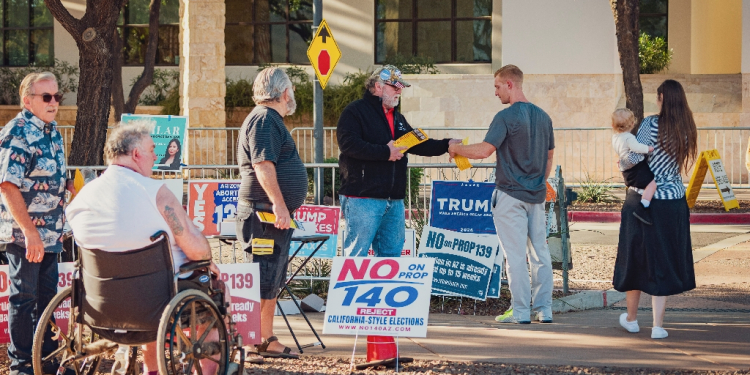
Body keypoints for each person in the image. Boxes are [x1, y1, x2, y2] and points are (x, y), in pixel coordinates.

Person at [65, 120, 247, 374]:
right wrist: (208, 261)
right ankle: (207, 370)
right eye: (152, 150)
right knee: (211, 287)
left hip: (101, 305)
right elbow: (197, 251)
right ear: (136, 154)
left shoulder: (83, 197)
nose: (156, 157)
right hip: (158, 300)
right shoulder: (156, 192)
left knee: (151, 289)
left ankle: (153, 370)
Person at [448, 65, 555, 325]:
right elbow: (549, 156)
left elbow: (485, 150)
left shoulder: (505, 117)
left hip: (509, 194)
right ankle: (544, 310)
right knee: (540, 253)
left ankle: (520, 312)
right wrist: (539, 181)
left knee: (516, 256)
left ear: (510, 84)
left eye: (497, 86)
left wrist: (456, 148)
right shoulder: (544, 117)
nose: (495, 92)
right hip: (537, 194)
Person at [337, 65, 459, 257]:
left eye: (400, 87)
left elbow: (417, 144)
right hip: (363, 198)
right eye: (395, 87)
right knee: (356, 256)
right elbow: (348, 145)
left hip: (394, 200)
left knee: (392, 256)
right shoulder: (355, 111)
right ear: (378, 87)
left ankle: (382, 288)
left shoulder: (397, 118)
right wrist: (386, 152)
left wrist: (447, 144)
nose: (399, 91)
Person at [0, 72, 73, 375]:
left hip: (52, 234)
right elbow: (7, 185)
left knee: (46, 301)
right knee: (24, 299)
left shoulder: (52, 130)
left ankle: (47, 361)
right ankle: (21, 367)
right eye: (47, 97)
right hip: (24, 236)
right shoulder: (17, 132)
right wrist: (30, 232)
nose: (54, 102)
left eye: (57, 96)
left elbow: (59, 176)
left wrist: (69, 188)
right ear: (27, 100)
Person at [613, 79, 697, 340]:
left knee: (635, 258)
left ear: (661, 97)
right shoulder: (687, 129)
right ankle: (658, 326)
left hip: (643, 200)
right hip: (673, 200)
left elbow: (635, 157)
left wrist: (620, 162)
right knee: (662, 259)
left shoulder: (651, 123)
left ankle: (632, 319)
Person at [236, 67, 307, 359]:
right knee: (261, 277)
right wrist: (279, 205)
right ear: (284, 92)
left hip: (270, 215)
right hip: (263, 214)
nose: (292, 96)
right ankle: (252, 341)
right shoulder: (265, 119)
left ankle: (265, 338)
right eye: (291, 90)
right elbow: (263, 165)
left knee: (271, 280)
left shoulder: (268, 120)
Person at [611, 108, 657, 225]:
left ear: (613, 125)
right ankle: (643, 207)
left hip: (626, 170)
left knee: (640, 186)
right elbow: (636, 147)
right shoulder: (629, 137)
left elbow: (621, 152)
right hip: (636, 168)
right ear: (632, 124)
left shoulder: (615, 138)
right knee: (652, 184)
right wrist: (648, 149)